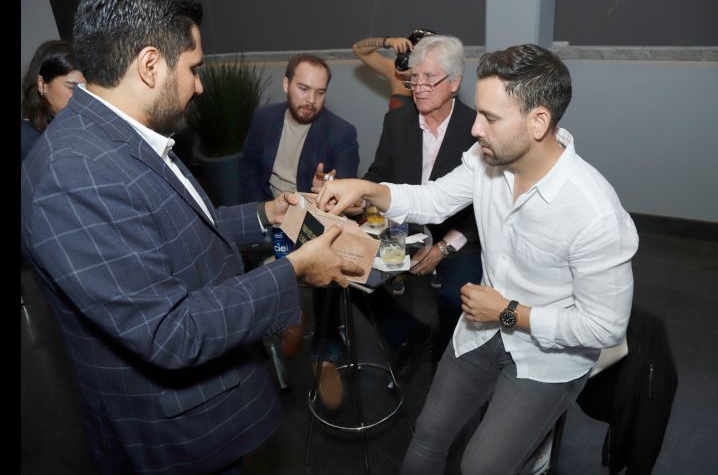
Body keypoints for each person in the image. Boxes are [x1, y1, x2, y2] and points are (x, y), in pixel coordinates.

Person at [20, 0, 362, 473]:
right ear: (151, 66)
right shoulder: (75, 176)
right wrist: (294, 272)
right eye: (195, 68)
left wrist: (267, 213)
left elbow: (182, 227)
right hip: (174, 440)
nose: (199, 86)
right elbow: (169, 331)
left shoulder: (121, 134)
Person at [317, 43, 639, 474]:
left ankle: (533, 446)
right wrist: (368, 189)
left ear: (538, 121)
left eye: (489, 117)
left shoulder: (595, 213)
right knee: (428, 437)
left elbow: (604, 326)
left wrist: (509, 312)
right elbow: (433, 201)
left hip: (548, 357)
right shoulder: (486, 161)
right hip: (480, 330)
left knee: (480, 465)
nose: (474, 129)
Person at [239, 53, 360, 410]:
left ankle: (325, 351)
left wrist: (324, 195)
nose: (311, 100)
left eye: (320, 92)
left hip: (313, 222)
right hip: (271, 216)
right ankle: (290, 316)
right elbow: (247, 171)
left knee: (329, 261)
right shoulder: (264, 119)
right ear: (286, 84)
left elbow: (349, 202)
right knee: (243, 261)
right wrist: (260, 214)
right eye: (304, 88)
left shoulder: (341, 132)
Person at [361, 35, 482, 378]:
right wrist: (363, 203)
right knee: (357, 276)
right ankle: (409, 332)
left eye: (430, 78)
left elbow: (485, 206)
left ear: (455, 83)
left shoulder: (477, 130)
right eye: (415, 77)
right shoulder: (397, 121)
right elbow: (378, 173)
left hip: (456, 235)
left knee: (456, 299)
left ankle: (442, 359)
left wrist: (443, 248)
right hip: (402, 226)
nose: (419, 86)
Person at [21, 40, 85, 162]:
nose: (80, 95)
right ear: (42, 84)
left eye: (84, 88)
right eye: (72, 87)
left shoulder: (72, 120)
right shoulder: (26, 139)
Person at [351, 29, 434, 110]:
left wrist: (415, 75)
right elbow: (358, 49)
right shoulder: (396, 73)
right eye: (409, 53)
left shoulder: (439, 80)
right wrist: (388, 41)